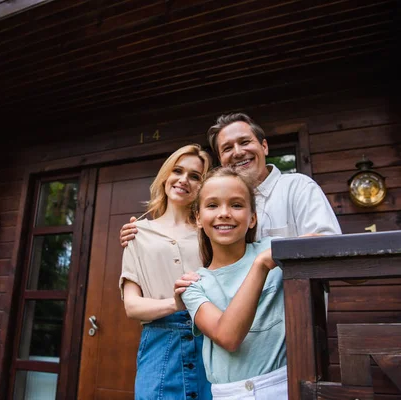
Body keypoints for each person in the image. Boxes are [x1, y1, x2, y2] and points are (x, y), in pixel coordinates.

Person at [120, 112, 340, 247]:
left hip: (294, 316)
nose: (237, 152)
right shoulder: (215, 208)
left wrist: (270, 255)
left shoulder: (298, 187)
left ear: (264, 146)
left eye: (245, 142)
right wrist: (143, 234)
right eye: (227, 148)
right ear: (221, 160)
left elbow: (328, 245)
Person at [179, 166, 288, 399]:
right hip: (231, 394)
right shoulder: (193, 285)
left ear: (252, 218)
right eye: (212, 205)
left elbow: (321, 246)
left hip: (283, 383)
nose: (224, 213)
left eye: (237, 205)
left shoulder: (274, 249)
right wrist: (260, 266)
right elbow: (228, 337)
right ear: (198, 218)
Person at [119, 144, 213, 400]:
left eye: (195, 176)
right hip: (161, 345)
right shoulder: (137, 233)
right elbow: (132, 306)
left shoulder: (210, 232)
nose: (184, 180)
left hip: (209, 340)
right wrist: (175, 303)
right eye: (178, 171)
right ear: (165, 177)